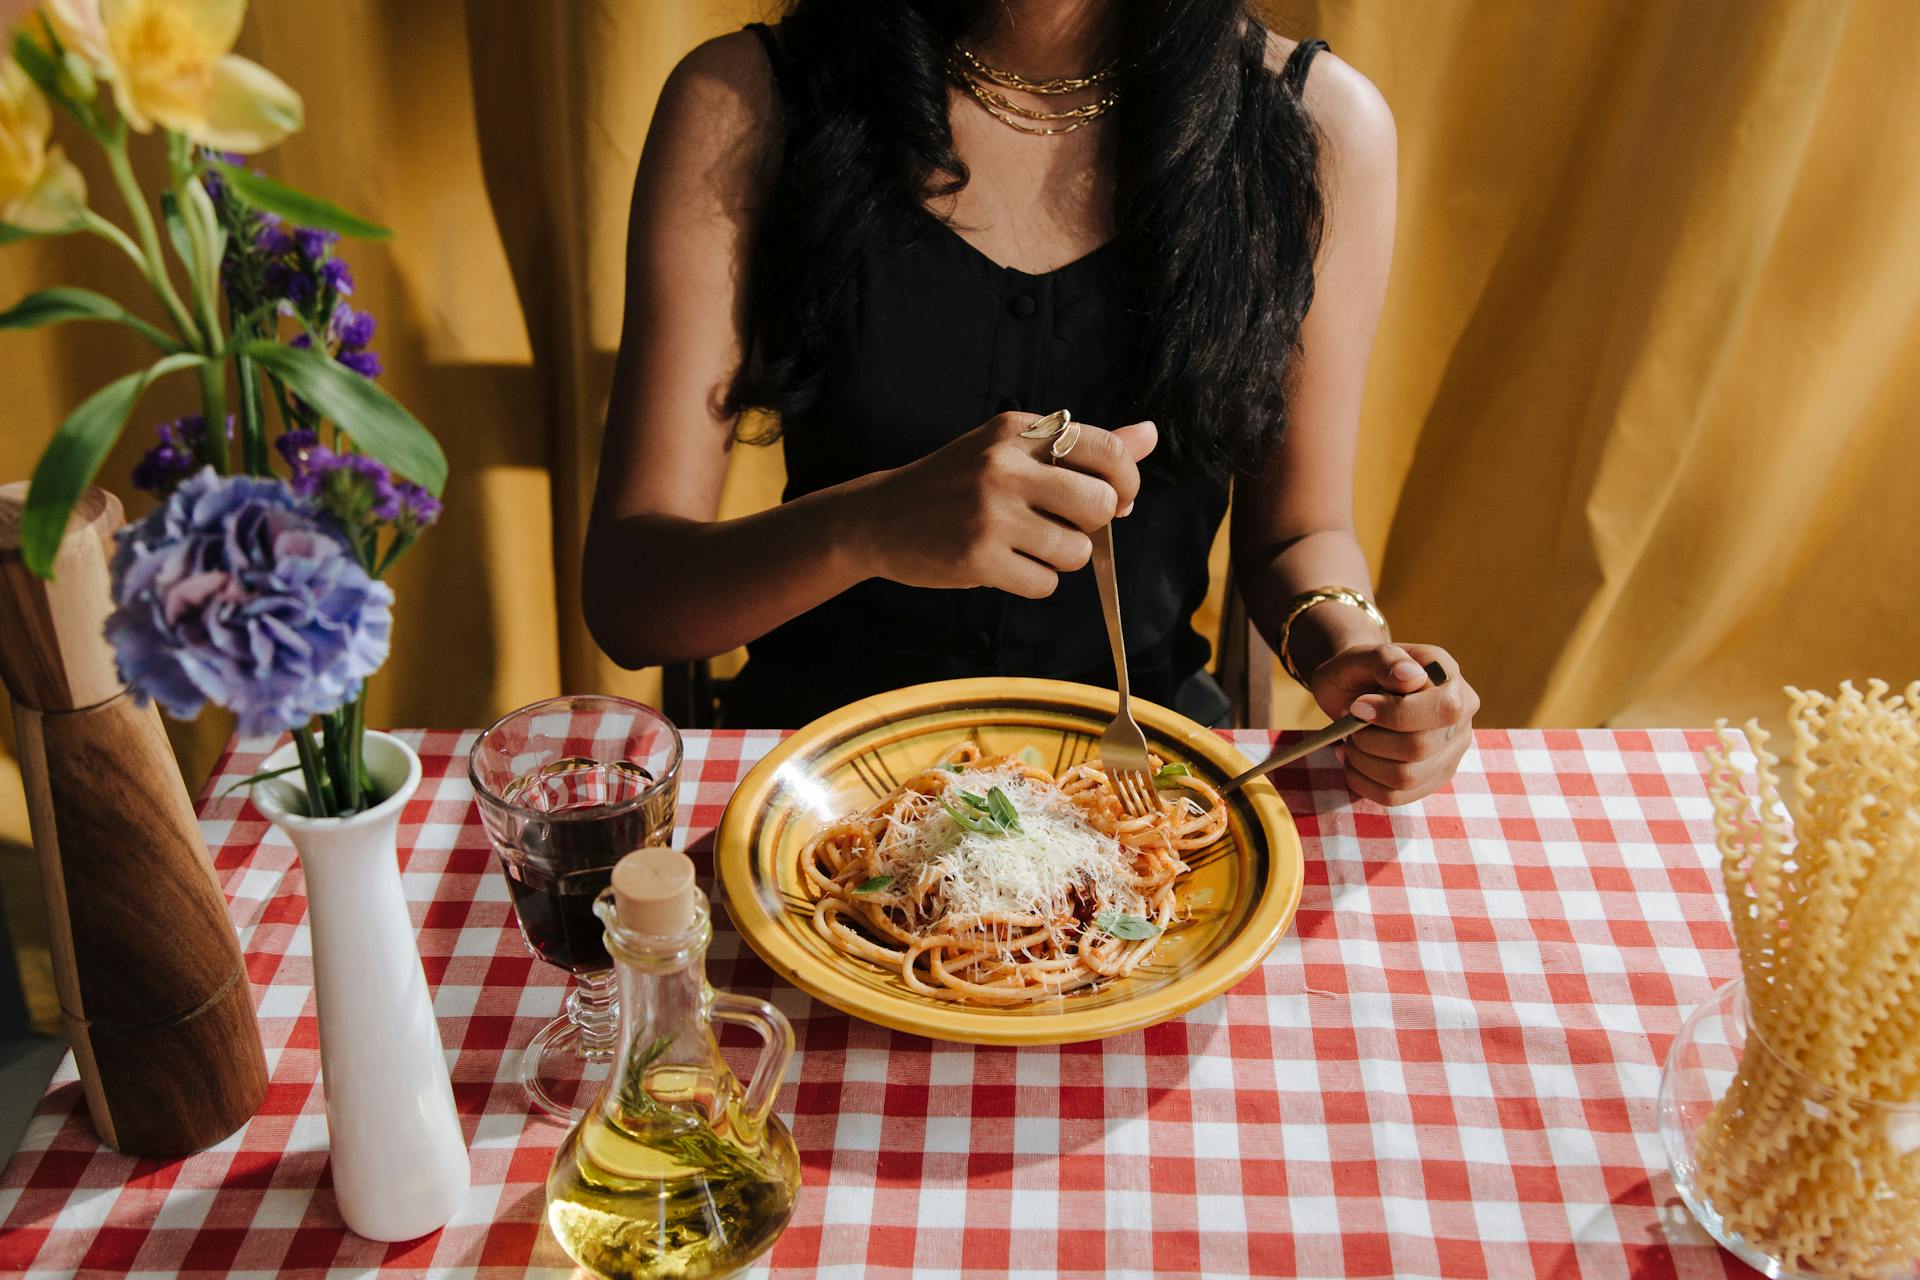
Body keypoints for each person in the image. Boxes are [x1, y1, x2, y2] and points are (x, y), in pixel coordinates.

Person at [582, 0, 1480, 806]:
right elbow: (630, 597)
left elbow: (1298, 537)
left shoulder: (1316, 124)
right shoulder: (745, 100)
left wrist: (1357, 655)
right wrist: (868, 525)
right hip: (816, 779)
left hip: (1144, 787)